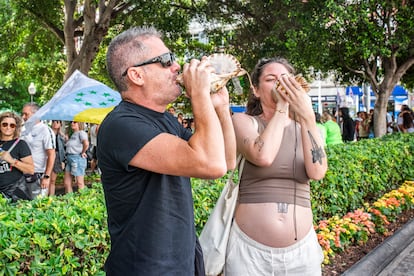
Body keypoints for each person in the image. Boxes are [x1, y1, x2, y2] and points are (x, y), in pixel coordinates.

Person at [98, 26, 236, 275]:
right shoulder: (121, 125)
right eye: (166, 60)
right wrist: (199, 95)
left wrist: (221, 108)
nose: (177, 66)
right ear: (136, 75)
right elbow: (211, 164)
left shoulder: (166, 120)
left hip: (182, 262)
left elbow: (226, 161)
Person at [226, 57, 328, 275]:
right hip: (249, 253)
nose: (280, 85)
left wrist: (307, 116)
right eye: (271, 79)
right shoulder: (244, 121)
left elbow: (317, 172)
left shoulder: (305, 127)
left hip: (302, 253)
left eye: (285, 79)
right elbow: (263, 156)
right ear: (256, 89)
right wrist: (282, 107)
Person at [21, 103, 55, 197]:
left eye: (26, 114)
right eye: (22, 114)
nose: (23, 117)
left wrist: (47, 177)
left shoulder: (46, 130)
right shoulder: (23, 130)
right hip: (22, 173)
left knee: (38, 205)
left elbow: (51, 154)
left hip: (38, 174)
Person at [0, 112, 34, 200]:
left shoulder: (20, 144)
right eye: (4, 124)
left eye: (12, 125)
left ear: (16, 128)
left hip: (15, 193)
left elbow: (30, 170)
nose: (8, 127)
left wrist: (12, 161)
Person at [63, 121, 89, 193]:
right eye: (72, 122)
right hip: (69, 158)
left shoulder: (81, 133)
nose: (72, 123)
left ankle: (84, 201)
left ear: (79, 124)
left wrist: (83, 152)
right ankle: (70, 200)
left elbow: (86, 143)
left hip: (77, 158)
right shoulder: (73, 134)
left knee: (79, 182)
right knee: (67, 182)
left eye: (75, 122)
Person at [49, 120, 66, 196]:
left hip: (57, 157)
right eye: (53, 122)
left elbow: (62, 150)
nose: (55, 123)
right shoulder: (47, 133)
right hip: (48, 156)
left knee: (53, 180)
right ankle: (45, 197)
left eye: (57, 122)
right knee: (46, 178)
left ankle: (51, 197)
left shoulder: (61, 136)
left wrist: (63, 161)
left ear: (60, 124)